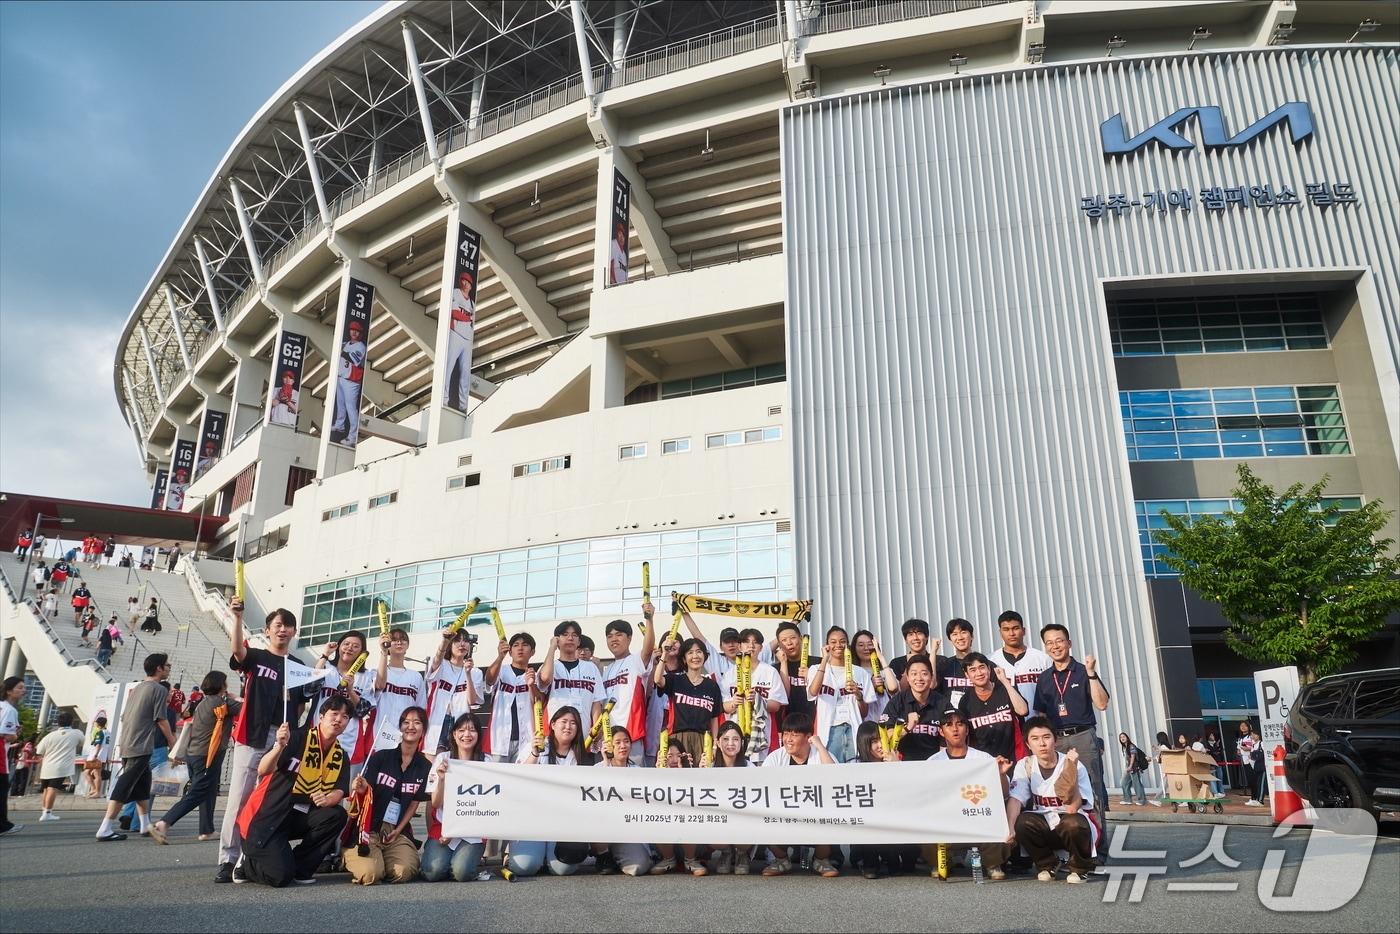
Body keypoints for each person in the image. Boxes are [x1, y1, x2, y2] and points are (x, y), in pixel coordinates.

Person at [216, 599, 300, 883]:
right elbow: (237, 651)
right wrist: (237, 618)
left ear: (294, 632)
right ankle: (227, 859)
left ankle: (250, 858)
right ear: (267, 631)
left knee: (269, 801)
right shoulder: (257, 657)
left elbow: (302, 705)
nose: (283, 630)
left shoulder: (298, 667)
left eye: (288, 626)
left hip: (282, 738)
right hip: (252, 735)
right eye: (278, 625)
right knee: (239, 798)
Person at [234, 698, 352, 887]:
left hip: (296, 816)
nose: (339, 720)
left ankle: (299, 867)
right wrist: (279, 746)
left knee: (336, 815)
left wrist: (328, 798)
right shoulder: (297, 738)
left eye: (345, 717)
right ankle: (247, 862)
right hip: (266, 817)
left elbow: (340, 790)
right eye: (334, 714)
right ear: (321, 717)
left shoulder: (340, 755)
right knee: (279, 877)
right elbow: (263, 769)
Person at [345, 706, 431, 885]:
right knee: (371, 875)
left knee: (404, 872)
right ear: (400, 728)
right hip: (369, 828)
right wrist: (359, 787)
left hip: (396, 832)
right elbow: (365, 790)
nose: (411, 727)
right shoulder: (381, 757)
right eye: (406, 722)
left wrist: (398, 830)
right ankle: (353, 856)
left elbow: (415, 802)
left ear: (424, 729)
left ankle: (382, 859)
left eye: (417, 722)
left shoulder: (424, 766)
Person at [94, 653, 175, 842]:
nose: (169, 668)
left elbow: (125, 717)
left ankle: (145, 825)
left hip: (128, 742)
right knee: (125, 785)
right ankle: (105, 827)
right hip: (141, 745)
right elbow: (161, 719)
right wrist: (172, 740)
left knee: (143, 786)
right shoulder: (158, 689)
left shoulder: (138, 687)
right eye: (167, 665)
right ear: (159, 668)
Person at [151, 672, 240, 843]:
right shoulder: (222, 702)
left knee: (209, 790)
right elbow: (246, 709)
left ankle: (206, 830)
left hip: (194, 753)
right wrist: (238, 697)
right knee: (198, 793)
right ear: (221, 685)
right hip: (208, 755)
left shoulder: (202, 703)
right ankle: (164, 823)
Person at [1032, 623, 1110, 814]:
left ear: (1069, 643)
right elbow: (1041, 715)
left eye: (1059, 641)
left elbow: (1102, 704)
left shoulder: (1084, 671)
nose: (1055, 646)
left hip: (1082, 737)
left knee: (1092, 788)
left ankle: (1098, 842)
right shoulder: (1044, 678)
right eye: (1049, 643)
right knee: (1059, 789)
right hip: (1055, 740)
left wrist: (1091, 673)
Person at [931, 708, 1017, 881]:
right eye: (949, 725)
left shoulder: (984, 759)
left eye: (960, 724)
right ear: (941, 731)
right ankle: (944, 860)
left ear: (967, 729)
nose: (955, 729)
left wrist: (1000, 774)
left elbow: (1005, 793)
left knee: (1002, 819)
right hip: (948, 819)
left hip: (978, 815)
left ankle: (992, 863)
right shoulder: (933, 761)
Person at [508, 706, 594, 877]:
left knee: (563, 869)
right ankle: (532, 854)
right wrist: (534, 753)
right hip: (533, 818)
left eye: (573, 723)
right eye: (563, 722)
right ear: (553, 724)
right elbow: (518, 779)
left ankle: (547, 856)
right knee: (524, 867)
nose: (568, 727)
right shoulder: (537, 745)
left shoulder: (582, 755)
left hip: (564, 820)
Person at [1011, 716, 1097, 883]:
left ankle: (1080, 868)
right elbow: (1016, 800)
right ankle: (1048, 864)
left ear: (1055, 740)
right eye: (1035, 739)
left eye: (1046, 737)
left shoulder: (1074, 763)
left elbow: (1073, 808)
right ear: (1028, 744)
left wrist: (1070, 769)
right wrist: (1010, 829)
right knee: (1022, 821)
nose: (1042, 744)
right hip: (1045, 824)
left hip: (1071, 823)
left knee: (1073, 823)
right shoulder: (1025, 764)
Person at [760, 711, 836, 877]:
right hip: (784, 814)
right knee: (762, 819)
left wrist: (821, 746)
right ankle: (782, 860)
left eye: (794, 735)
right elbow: (762, 786)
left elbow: (836, 779)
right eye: (786, 733)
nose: (788, 739)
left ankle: (820, 860)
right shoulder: (775, 757)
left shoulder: (820, 755)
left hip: (815, 814)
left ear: (808, 737)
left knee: (831, 818)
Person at [423, 713, 489, 882]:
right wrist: (442, 779)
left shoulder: (486, 762)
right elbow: (436, 803)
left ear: (478, 735)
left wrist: (457, 829)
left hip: (473, 829)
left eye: (472, 730)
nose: (467, 735)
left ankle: (465, 860)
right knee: (433, 873)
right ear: (453, 734)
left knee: (462, 873)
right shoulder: (443, 759)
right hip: (444, 827)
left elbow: (487, 805)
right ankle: (448, 860)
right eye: (461, 730)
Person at [849, 721, 918, 879]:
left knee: (907, 865)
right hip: (866, 824)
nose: (880, 745)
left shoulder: (896, 759)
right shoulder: (854, 765)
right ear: (863, 743)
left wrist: (896, 767)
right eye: (874, 742)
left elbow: (911, 790)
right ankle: (868, 861)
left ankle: (891, 856)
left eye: (882, 739)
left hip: (894, 821)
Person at [805, 625, 875, 763]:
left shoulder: (860, 673)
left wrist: (858, 695)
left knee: (853, 769)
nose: (838, 645)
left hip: (852, 728)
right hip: (829, 728)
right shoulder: (815, 669)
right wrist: (824, 660)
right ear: (827, 645)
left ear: (847, 644)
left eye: (842, 641)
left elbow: (864, 712)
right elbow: (812, 692)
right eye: (833, 642)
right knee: (831, 771)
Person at [590, 728, 653, 876]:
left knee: (639, 866)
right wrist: (606, 762)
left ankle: (616, 856)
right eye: (617, 743)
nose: (622, 746)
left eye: (626, 742)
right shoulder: (597, 769)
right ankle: (602, 854)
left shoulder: (638, 771)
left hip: (627, 830)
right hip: (604, 828)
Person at [308, 630, 376, 768]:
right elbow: (310, 688)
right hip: (318, 735)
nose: (350, 648)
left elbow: (363, 711)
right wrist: (325, 655)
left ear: (362, 653)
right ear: (339, 646)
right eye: (346, 644)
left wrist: (350, 691)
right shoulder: (326, 667)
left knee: (342, 788)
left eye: (356, 646)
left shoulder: (365, 676)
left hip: (349, 742)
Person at [719, 628, 788, 764]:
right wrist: (734, 702)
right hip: (736, 735)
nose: (751, 646)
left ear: (761, 647)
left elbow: (777, 705)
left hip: (762, 735)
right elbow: (723, 706)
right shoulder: (729, 674)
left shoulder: (769, 671)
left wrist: (759, 700)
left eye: (755, 642)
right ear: (740, 646)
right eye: (746, 642)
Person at [653, 637, 723, 768]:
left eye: (699, 652)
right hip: (677, 739)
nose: (695, 656)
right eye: (690, 652)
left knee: (700, 779)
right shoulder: (675, 680)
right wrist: (665, 653)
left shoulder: (712, 686)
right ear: (684, 659)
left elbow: (714, 719)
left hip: (703, 740)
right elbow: (657, 679)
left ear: (704, 656)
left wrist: (714, 745)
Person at [602, 606, 656, 765]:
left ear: (630, 638)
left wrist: (649, 619)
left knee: (633, 782)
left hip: (632, 736)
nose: (614, 639)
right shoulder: (606, 670)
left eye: (619, 635)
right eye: (610, 636)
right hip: (609, 738)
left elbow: (648, 648)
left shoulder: (636, 661)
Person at [537, 620, 605, 743]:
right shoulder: (550, 666)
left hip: (584, 737)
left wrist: (597, 728)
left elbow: (596, 702)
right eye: (565, 634)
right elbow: (545, 678)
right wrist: (552, 647)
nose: (570, 638)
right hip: (554, 737)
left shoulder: (591, 668)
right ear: (557, 640)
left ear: (578, 641)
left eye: (574, 635)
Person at [958, 652, 1028, 762]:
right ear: (967, 675)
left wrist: (1005, 681)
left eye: (982, 668)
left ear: (989, 669)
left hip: (1014, 758)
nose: (979, 673)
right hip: (984, 763)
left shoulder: (1006, 689)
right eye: (973, 670)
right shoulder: (965, 701)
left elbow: (1023, 710)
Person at [369, 627, 426, 756]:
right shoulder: (375, 673)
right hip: (379, 736)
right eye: (394, 640)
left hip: (406, 737)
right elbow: (378, 685)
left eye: (403, 640)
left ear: (408, 645)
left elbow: (420, 710)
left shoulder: (416, 676)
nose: (399, 643)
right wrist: (383, 652)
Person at [425, 631, 484, 754]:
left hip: (460, 723)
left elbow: (472, 701)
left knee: (456, 763)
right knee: (432, 763)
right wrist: (444, 641)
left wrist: (468, 674)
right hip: (438, 721)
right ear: (450, 645)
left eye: (466, 641)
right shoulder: (441, 664)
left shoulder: (475, 672)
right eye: (457, 640)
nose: (462, 644)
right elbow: (436, 660)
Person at [878, 654, 946, 761]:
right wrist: (907, 728)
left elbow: (951, 737)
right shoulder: (897, 701)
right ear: (908, 678)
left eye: (924, 674)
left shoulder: (942, 702)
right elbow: (885, 737)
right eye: (914, 674)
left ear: (931, 676)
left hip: (933, 765)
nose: (919, 678)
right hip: (902, 765)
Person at [482, 632, 537, 763]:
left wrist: (532, 685)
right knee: (496, 779)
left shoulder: (534, 675)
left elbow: (538, 702)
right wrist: (500, 657)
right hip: (498, 739)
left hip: (525, 740)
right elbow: (489, 680)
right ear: (510, 651)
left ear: (533, 652)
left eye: (525, 645)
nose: (520, 648)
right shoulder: (501, 670)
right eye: (516, 645)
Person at [994, 610, 1053, 713]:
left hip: (1038, 723)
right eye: (1006, 629)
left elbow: (1052, 693)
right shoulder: (991, 660)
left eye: (1015, 628)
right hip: (1007, 725)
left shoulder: (1042, 659)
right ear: (1000, 633)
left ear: (1024, 630)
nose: (1011, 633)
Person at [34, 713, 85, 822]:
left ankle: (44, 811)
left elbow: (39, 751)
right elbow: (82, 743)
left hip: (47, 766)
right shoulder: (77, 733)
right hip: (61, 766)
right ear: (71, 722)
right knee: (53, 788)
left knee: (46, 789)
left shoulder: (50, 735)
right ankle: (47, 812)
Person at [772, 620, 818, 729]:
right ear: (779, 645)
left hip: (815, 724)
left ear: (801, 639)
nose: (789, 643)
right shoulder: (774, 670)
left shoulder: (818, 664)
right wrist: (783, 663)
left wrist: (811, 675)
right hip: (787, 727)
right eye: (784, 640)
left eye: (792, 638)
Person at [332, 318, 367, 446]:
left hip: (352, 381)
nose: (354, 332)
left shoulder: (361, 346)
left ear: (360, 333)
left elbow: (351, 358)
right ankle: (340, 425)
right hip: (341, 377)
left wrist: (340, 349)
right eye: (353, 329)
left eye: (357, 331)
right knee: (340, 404)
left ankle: (353, 436)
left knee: (351, 408)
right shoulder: (346, 344)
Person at [851, 629, 899, 722]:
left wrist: (880, 657)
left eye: (870, 644)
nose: (866, 648)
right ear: (854, 648)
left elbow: (893, 688)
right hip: (864, 724)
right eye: (861, 645)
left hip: (886, 721)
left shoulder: (885, 671)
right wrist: (870, 686)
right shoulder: (854, 673)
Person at [445, 270, 476, 410]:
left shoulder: (473, 303)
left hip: (467, 339)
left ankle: (463, 406)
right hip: (455, 334)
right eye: (463, 280)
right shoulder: (455, 293)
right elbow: (455, 313)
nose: (465, 283)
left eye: (468, 281)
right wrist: (469, 318)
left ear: (471, 285)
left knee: (465, 373)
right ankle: (444, 400)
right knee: (448, 368)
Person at [0, 677, 22, 836]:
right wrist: (15, 735)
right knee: (2, 789)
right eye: (20, 687)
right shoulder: (9, 710)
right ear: (9, 691)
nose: (23, 690)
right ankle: (3, 824)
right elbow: (6, 736)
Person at [940, 618, 976, 705]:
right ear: (950, 639)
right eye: (954, 634)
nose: (959, 637)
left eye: (963, 632)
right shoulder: (944, 666)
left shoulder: (985, 665)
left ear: (972, 636)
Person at [81, 717, 111, 798]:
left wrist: (95, 755)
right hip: (102, 756)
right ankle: (94, 789)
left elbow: (99, 745)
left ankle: (97, 792)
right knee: (87, 773)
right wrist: (107, 757)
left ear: (98, 723)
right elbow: (107, 746)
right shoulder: (108, 732)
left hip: (97, 756)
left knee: (96, 774)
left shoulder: (100, 732)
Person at [1118, 733, 1150, 806]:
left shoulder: (1131, 746)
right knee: (1123, 783)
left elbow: (1133, 756)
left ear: (1127, 737)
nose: (1122, 738)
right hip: (1128, 769)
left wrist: (1130, 766)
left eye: (1123, 736)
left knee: (1137, 784)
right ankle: (1127, 800)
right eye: (1121, 737)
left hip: (1134, 768)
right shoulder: (1125, 747)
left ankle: (1142, 800)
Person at [608, 220, 629, 285]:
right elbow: (609, 268)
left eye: (622, 235)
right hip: (614, 286)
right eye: (619, 234)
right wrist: (614, 284)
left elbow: (625, 276)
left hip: (622, 289)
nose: (621, 238)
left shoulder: (624, 255)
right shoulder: (613, 244)